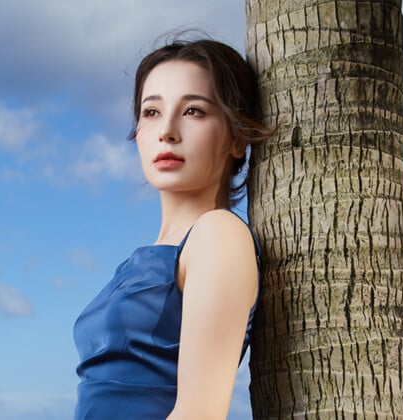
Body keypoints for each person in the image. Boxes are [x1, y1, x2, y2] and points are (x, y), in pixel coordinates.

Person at [73, 38, 273, 419]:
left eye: (194, 111)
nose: (167, 130)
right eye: (151, 112)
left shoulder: (219, 235)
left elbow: (200, 413)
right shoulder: (140, 260)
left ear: (236, 137)